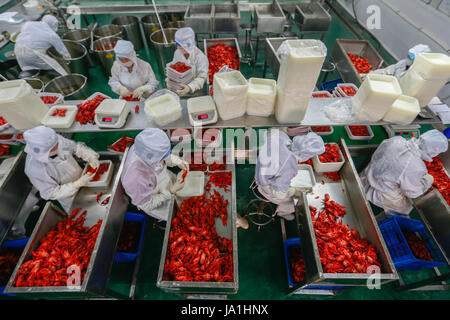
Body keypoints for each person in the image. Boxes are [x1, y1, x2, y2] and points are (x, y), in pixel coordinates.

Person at [360, 129, 448, 219]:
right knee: (405, 207)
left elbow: (378, 155)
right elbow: (412, 192)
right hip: (382, 193)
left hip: (367, 175)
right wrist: (427, 182)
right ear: (434, 151)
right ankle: (382, 219)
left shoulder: (397, 140)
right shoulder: (416, 166)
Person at [23, 126, 100, 213]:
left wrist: (90, 156)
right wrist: (75, 185)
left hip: (83, 177)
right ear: (41, 152)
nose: (57, 147)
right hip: (69, 196)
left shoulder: (54, 140)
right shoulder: (34, 168)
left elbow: (75, 147)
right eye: (52, 148)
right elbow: (50, 193)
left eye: (57, 144)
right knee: (85, 213)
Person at [255, 129, 325, 221]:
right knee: (291, 201)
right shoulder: (288, 166)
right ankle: (282, 213)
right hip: (263, 184)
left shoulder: (281, 136)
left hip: (259, 166)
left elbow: (270, 132)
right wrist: (293, 191)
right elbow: (280, 194)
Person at [121, 128, 189, 221]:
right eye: (163, 156)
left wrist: (176, 161)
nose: (165, 157)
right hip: (156, 199)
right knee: (172, 214)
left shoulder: (145, 148)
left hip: (164, 180)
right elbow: (147, 205)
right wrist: (171, 191)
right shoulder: (136, 178)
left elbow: (160, 155)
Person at [169, 27, 208, 97]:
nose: (178, 48)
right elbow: (173, 68)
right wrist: (169, 80)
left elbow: (202, 78)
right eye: (177, 44)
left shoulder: (200, 57)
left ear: (188, 45)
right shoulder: (177, 52)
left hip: (196, 93)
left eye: (180, 45)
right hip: (179, 89)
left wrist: (189, 87)